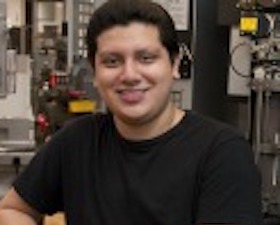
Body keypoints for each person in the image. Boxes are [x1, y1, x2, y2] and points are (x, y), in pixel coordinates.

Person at [0, 0, 262, 224]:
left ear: (174, 64)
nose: (129, 75)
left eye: (146, 58)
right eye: (112, 61)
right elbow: (12, 209)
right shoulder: (77, 141)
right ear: (95, 72)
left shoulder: (221, 153)